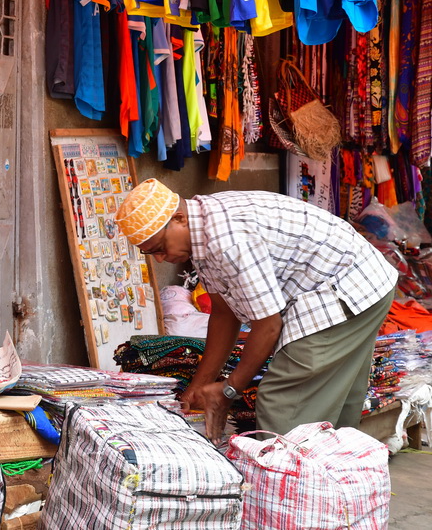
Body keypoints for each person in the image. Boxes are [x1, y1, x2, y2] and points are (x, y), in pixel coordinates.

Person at [115, 178, 397, 442]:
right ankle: (332, 484)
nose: (163, 259)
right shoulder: (201, 230)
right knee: (335, 406)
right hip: (363, 281)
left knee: (282, 404)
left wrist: (228, 390)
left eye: (160, 248)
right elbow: (224, 314)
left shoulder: (226, 240)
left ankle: (284, 488)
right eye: (153, 254)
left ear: (179, 219)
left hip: (348, 285)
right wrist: (198, 388)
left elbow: (268, 325)